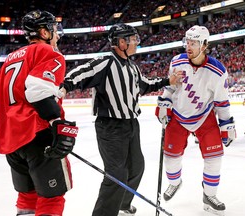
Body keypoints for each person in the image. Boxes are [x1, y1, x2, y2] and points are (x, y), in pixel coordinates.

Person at [60, 23, 182, 216]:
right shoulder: (106, 62)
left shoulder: (132, 67)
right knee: (116, 174)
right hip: (111, 126)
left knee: (136, 168)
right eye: (133, 39)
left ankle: (123, 203)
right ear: (121, 42)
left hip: (131, 124)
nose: (136, 43)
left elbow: (144, 85)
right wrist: (64, 86)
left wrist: (168, 81)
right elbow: (82, 73)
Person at [0, 10, 78, 216]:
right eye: (55, 30)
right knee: (51, 198)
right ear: (44, 32)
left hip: (13, 142)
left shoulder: (10, 58)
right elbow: (38, 90)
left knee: (27, 196)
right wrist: (57, 123)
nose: (58, 35)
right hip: (38, 135)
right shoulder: (50, 53)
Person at [155, 25, 236, 215]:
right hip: (178, 115)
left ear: (205, 44)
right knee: (170, 158)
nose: (188, 46)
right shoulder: (177, 61)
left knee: (215, 158)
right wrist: (164, 102)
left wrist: (227, 125)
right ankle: (175, 183)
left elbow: (221, 101)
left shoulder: (218, 71)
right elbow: (170, 87)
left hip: (204, 117)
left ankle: (209, 195)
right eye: (187, 42)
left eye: (194, 43)